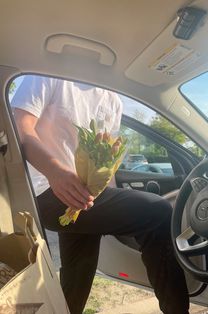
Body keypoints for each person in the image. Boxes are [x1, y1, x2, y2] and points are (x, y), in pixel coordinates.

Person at [11, 75, 190, 314]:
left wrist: (112, 197)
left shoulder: (113, 100)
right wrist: (55, 172)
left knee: (76, 277)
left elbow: (107, 162)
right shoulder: (49, 76)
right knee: (158, 212)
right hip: (47, 191)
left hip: (86, 197)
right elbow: (19, 127)